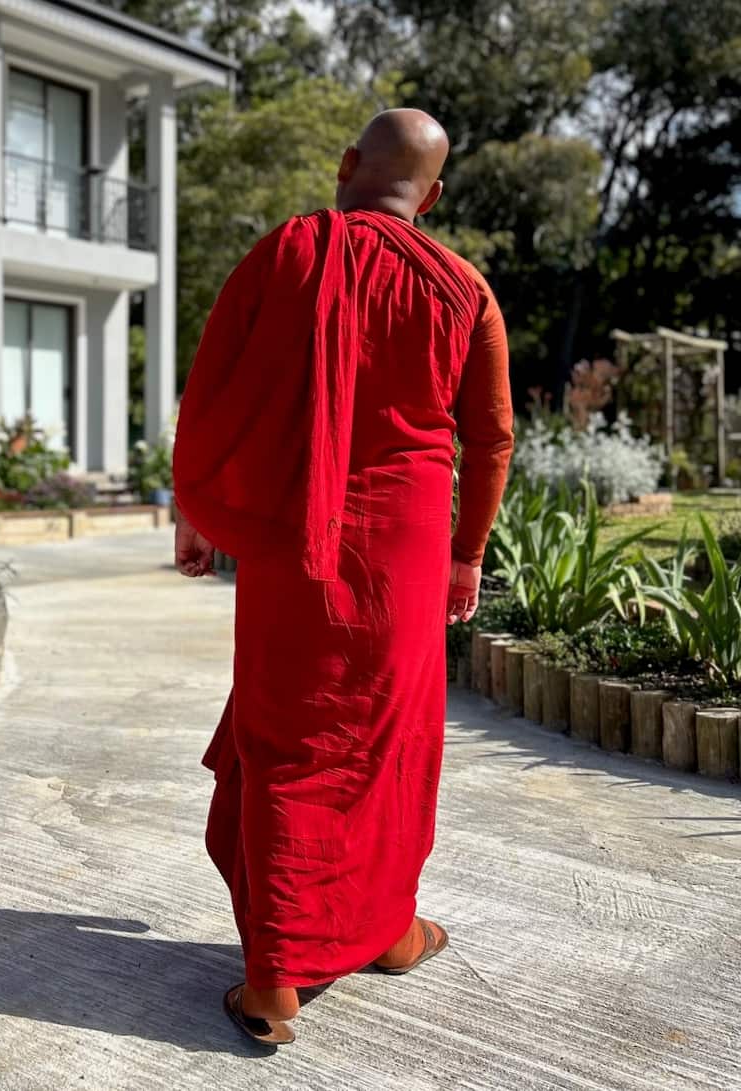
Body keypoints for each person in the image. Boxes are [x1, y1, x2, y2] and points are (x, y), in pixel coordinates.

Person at [173, 109, 513, 1045]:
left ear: (346, 166)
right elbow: (490, 441)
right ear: (433, 196)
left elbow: (214, 388)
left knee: (294, 742)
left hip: (292, 541)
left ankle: (279, 982)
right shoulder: (463, 288)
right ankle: (388, 930)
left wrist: (200, 513)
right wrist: (467, 551)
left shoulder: (286, 251)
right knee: (388, 742)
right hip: (405, 550)